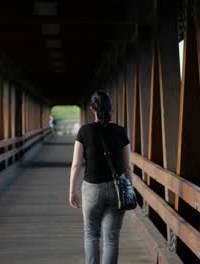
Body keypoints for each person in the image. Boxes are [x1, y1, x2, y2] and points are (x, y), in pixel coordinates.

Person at [69, 90, 132, 264]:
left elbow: (76, 164)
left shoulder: (84, 131)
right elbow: (127, 166)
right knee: (111, 238)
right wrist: (129, 190)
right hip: (116, 189)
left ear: (92, 109)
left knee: (91, 235)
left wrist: (72, 190)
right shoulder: (120, 131)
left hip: (91, 190)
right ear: (111, 109)